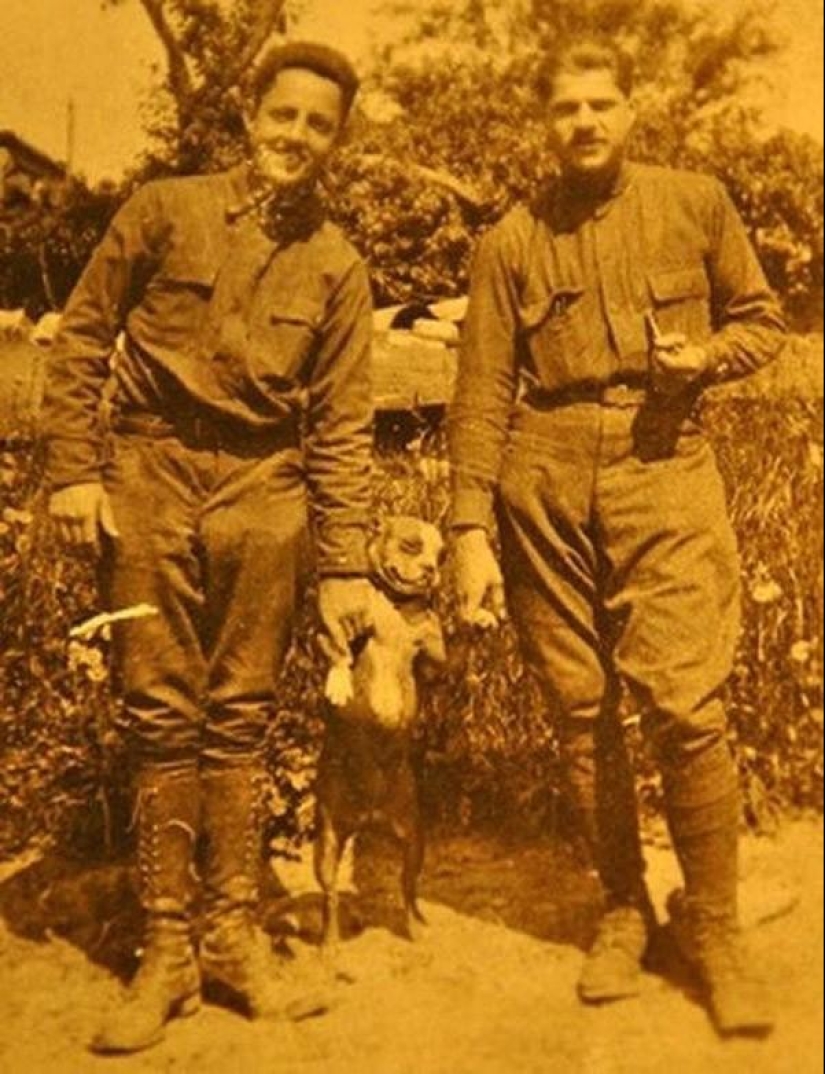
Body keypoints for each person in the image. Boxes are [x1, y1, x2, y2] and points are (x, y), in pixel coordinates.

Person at [43, 42, 374, 1054]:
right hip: (149, 476)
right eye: (285, 117)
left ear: (336, 142)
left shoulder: (339, 265)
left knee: (239, 713)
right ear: (250, 114)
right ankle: (165, 948)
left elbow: (344, 425)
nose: (298, 139)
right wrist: (71, 470)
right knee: (158, 712)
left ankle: (230, 938)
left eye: (319, 127)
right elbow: (83, 335)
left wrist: (349, 562)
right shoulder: (162, 209)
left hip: (265, 494)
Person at [450, 41, 786, 1037]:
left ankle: (714, 924)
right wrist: (469, 527)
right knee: (577, 705)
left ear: (632, 111)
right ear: (543, 124)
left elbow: (762, 321)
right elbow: (478, 395)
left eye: (602, 104)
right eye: (566, 109)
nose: (585, 122)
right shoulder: (509, 240)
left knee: (686, 700)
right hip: (543, 474)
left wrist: (709, 357)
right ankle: (620, 905)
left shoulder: (696, 201)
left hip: (664, 457)